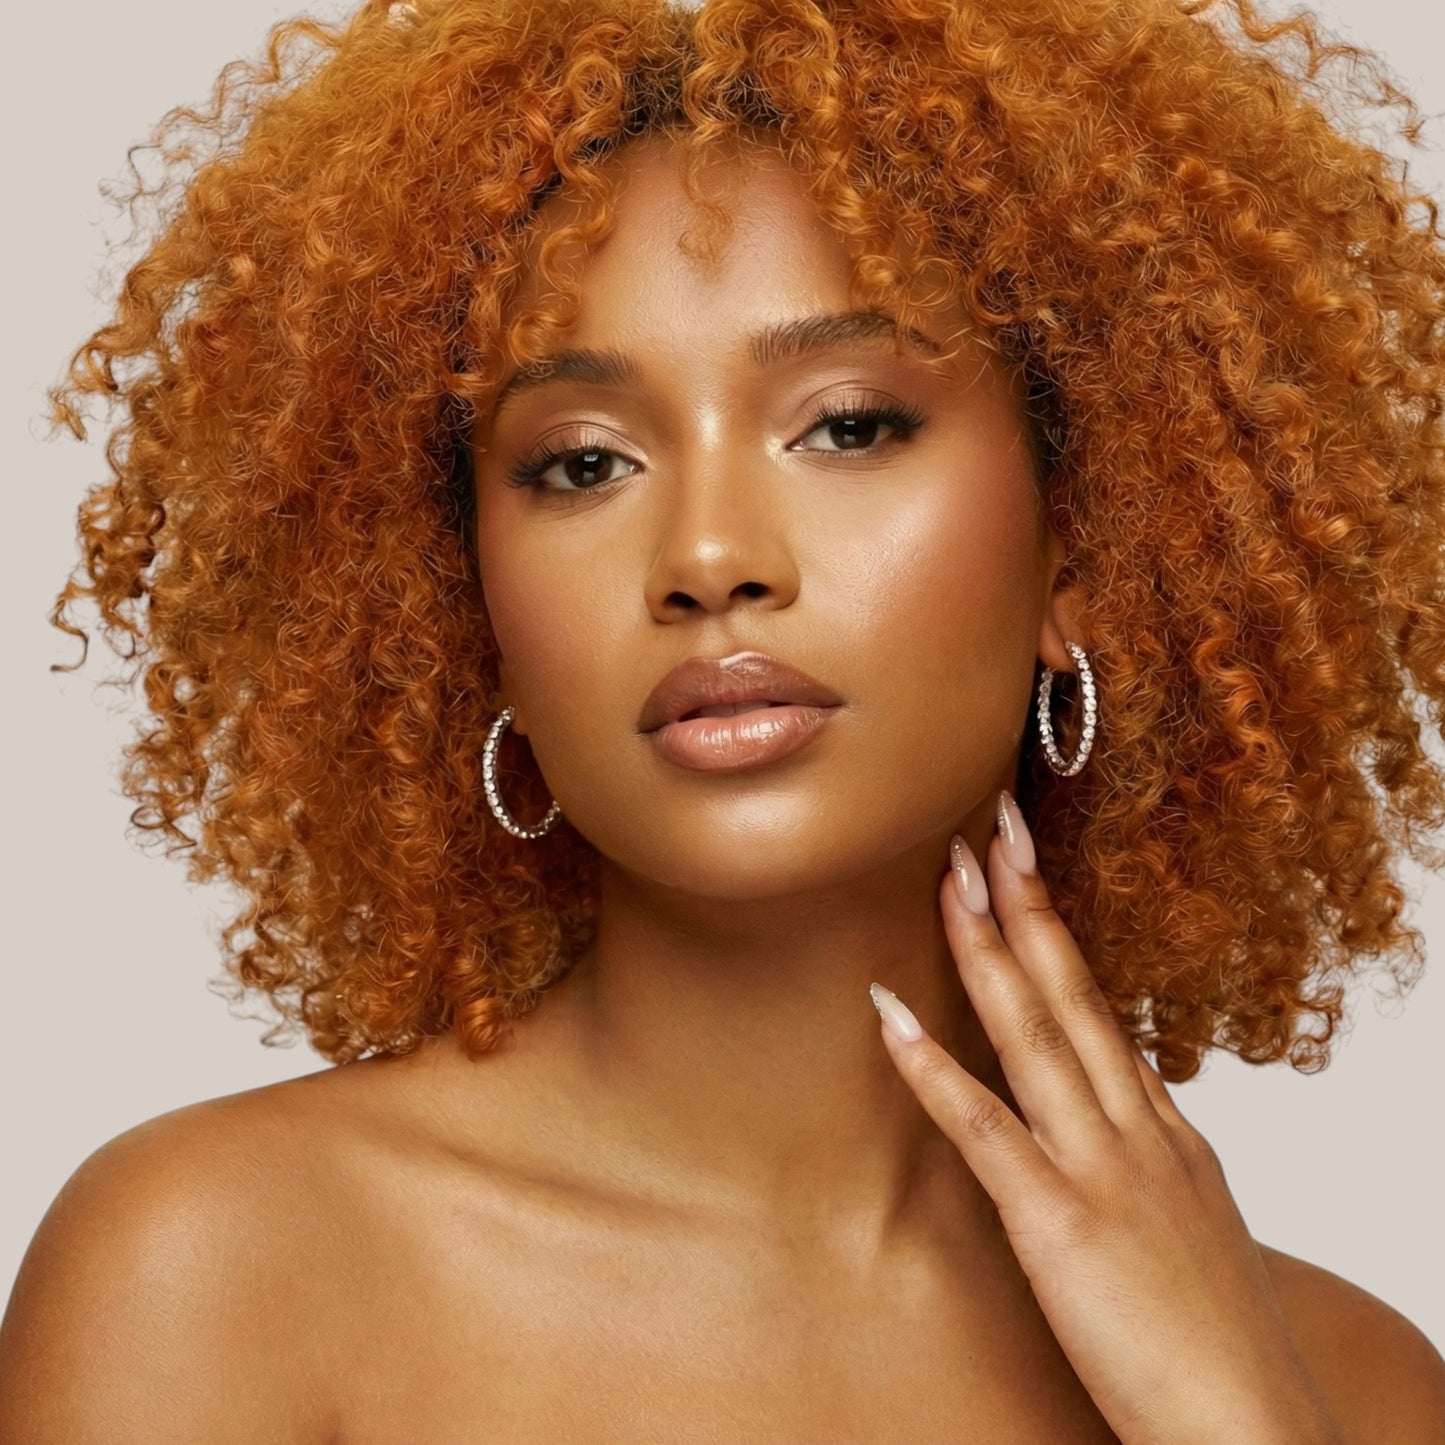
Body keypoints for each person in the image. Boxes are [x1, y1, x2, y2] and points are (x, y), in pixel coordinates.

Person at [3, 0, 1444, 1437]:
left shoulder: (1348, 1381)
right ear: (468, 610)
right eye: (580, 463)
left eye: (848, 424)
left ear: (1088, 544)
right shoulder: (218, 1271)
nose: (708, 558)